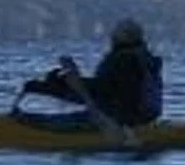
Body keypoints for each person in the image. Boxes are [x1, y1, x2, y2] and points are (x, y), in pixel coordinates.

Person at [16, 18, 163, 130]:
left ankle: (23, 124)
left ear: (125, 36)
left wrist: (66, 81)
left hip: (121, 116)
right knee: (48, 87)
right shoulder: (144, 57)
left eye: (116, 32)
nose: (111, 35)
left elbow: (103, 90)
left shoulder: (122, 58)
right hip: (142, 115)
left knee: (33, 87)